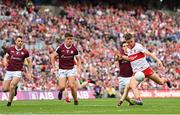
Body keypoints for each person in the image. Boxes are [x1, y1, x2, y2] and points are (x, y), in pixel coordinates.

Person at [117, 33, 171, 106]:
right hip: (136, 73)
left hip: (146, 69)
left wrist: (158, 60)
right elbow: (130, 59)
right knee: (133, 85)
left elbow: (149, 54)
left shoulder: (138, 47)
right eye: (128, 42)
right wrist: (122, 57)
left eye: (131, 41)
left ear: (134, 40)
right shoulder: (128, 50)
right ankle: (139, 100)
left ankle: (166, 80)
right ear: (126, 42)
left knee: (160, 82)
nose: (130, 43)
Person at [51, 33, 80, 105]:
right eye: (68, 39)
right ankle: (60, 91)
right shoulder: (60, 48)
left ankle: (75, 100)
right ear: (65, 40)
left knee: (72, 85)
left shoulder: (74, 49)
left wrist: (78, 68)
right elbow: (52, 57)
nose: (70, 40)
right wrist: (54, 67)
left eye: (71, 39)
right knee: (62, 87)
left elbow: (78, 59)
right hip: (62, 70)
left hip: (71, 69)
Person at [2, 36, 32, 106]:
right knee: (4, 89)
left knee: (12, 85)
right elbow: (5, 57)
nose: (20, 42)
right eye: (18, 41)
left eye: (21, 41)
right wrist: (4, 61)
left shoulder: (25, 52)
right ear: (16, 42)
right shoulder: (10, 49)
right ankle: (15, 89)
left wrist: (29, 73)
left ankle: (9, 103)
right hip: (9, 71)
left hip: (17, 71)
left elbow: (29, 62)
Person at [115, 41, 135, 106]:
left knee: (129, 90)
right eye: (123, 46)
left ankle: (138, 99)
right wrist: (117, 56)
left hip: (130, 76)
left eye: (126, 45)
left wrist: (122, 56)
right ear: (122, 48)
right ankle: (131, 101)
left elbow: (130, 59)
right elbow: (117, 58)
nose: (125, 47)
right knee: (121, 92)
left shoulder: (132, 53)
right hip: (122, 77)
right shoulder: (120, 54)